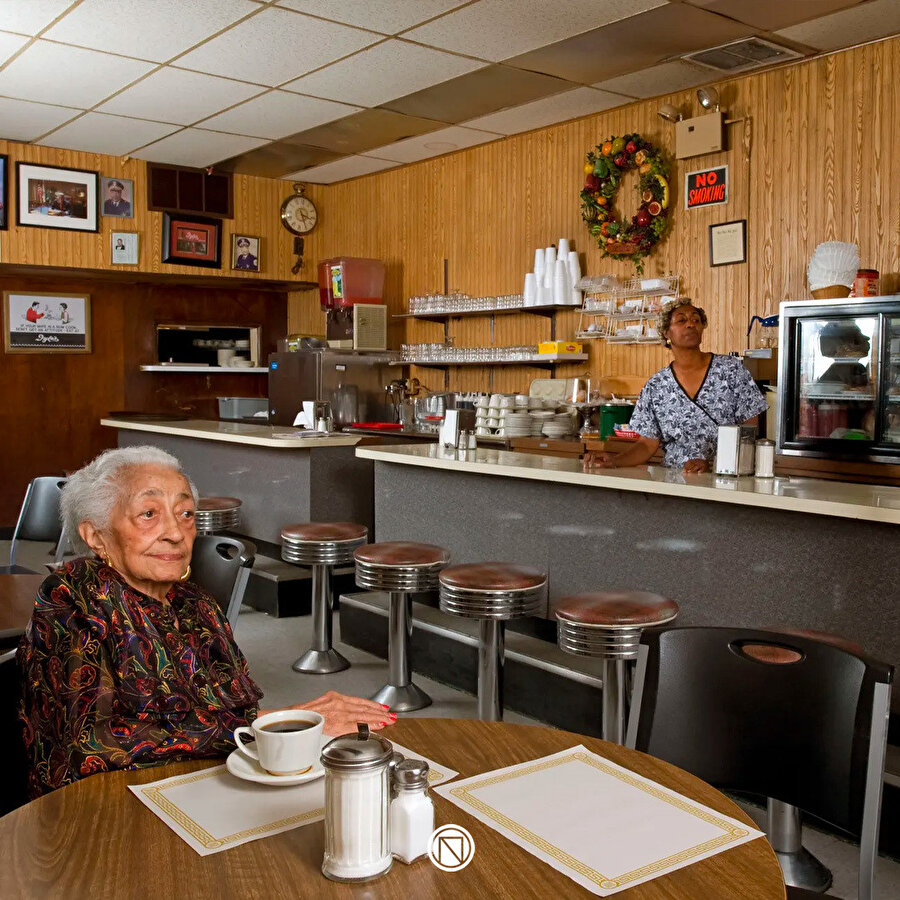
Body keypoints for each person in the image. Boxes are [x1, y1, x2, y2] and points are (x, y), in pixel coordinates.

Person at [17, 446, 394, 798]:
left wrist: (286, 726)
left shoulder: (197, 605)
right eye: (149, 514)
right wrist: (278, 723)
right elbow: (91, 744)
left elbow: (236, 715)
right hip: (99, 811)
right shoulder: (72, 597)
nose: (176, 532)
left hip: (199, 790)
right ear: (95, 535)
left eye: (185, 514)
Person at [585, 298, 768, 474]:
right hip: (675, 480)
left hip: (725, 476)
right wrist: (614, 460)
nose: (691, 324)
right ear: (666, 332)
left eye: (696, 320)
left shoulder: (730, 370)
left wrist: (715, 464)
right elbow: (647, 444)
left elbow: (750, 430)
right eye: (681, 320)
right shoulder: (656, 386)